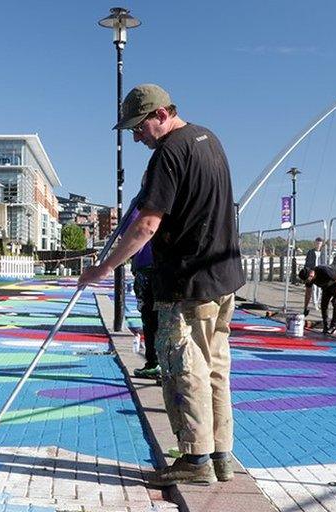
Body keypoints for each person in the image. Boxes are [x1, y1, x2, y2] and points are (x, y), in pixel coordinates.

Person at [77, 83, 244, 486]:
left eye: (139, 127)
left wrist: (104, 269)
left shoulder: (169, 153)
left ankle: (195, 458)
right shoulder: (209, 140)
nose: (136, 136)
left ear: (161, 115)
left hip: (189, 284)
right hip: (222, 279)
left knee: (186, 368)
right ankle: (221, 455)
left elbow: (147, 225)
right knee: (216, 365)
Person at [121, 202, 160, 380]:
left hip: (147, 268)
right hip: (166, 269)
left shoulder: (141, 207)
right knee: (164, 318)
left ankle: (154, 363)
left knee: (150, 317)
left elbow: (128, 233)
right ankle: (162, 364)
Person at [300, 265, 336, 334]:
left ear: (311, 275)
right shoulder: (309, 279)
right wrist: (305, 307)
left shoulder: (325, 271)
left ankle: (333, 326)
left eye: (307, 280)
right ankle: (326, 326)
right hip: (327, 285)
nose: (307, 282)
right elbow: (308, 293)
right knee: (323, 304)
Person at [304, 237, 326, 306]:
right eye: (317, 243)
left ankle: (318, 301)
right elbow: (307, 262)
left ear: (321, 244)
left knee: (319, 289)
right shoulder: (310, 252)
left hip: (320, 272)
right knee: (314, 288)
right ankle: (315, 303)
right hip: (312, 272)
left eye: (319, 243)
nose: (318, 245)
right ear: (315, 243)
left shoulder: (323, 253)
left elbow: (325, 263)